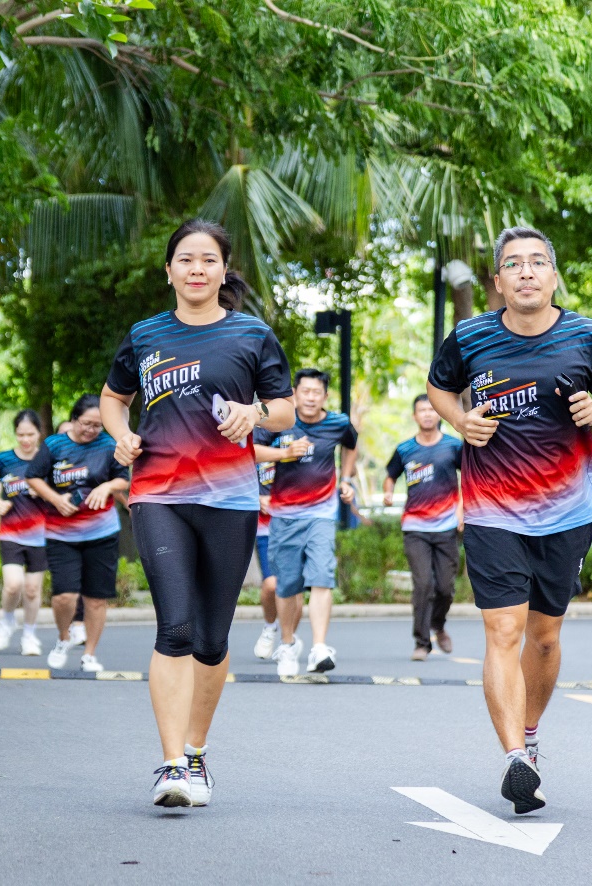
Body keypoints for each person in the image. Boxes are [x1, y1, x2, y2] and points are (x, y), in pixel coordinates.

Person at [426, 226, 592, 816]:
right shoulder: (469, 336)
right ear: (498, 280)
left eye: (537, 262)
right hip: (492, 510)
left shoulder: (590, 337)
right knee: (503, 632)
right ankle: (515, 756)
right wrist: (460, 422)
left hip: (567, 512)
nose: (525, 272)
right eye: (513, 264)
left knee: (544, 636)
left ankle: (532, 733)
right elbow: (440, 388)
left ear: (552, 276)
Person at [102, 218, 294, 808]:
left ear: (222, 270)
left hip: (229, 500)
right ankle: (168, 767)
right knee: (175, 627)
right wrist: (121, 434)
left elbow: (285, 410)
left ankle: (196, 753)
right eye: (185, 260)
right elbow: (115, 398)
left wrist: (254, 413)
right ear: (169, 271)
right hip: (159, 494)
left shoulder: (252, 335)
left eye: (208, 260)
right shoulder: (145, 334)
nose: (196, 270)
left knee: (211, 640)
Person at [256, 368, 359, 676]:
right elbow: (250, 452)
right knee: (286, 586)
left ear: (325, 396)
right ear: (295, 394)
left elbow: (351, 444)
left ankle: (319, 647)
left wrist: (348, 478)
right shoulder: (280, 421)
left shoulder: (338, 423)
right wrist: (284, 452)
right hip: (284, 516)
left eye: (317, 392)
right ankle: (287, 645)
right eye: (305, 392)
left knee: (321, 577)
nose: (311, 397)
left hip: (321, 513)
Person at [25, 395, 129, 673]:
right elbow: (33, 476)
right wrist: (55, 499)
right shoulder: (54, 445)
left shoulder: (108, 445)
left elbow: (124, 478)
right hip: (61, 533)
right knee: (64, 596)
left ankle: (90, 654)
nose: (91, 430)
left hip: (102, 532)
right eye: (86, 424)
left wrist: (106, 488)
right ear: (73, 420)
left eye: (97, 425)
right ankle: (63, 638)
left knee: (96, 598)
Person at [383, 394, 464, 661]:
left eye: (432, 409)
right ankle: (421, 642)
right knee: (423, 584)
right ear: (414, 416)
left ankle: (438, 625)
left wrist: (462, 507)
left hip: (447, 526)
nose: (428, 414)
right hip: (415, 526)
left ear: (439, 413)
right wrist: (387, 493)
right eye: (422, 410)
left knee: (444, 587)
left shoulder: (453, 446)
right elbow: (390, 475)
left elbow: (471, 477)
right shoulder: (405, 449)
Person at [0, 410, 50, 656]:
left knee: (33, 590)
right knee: (13, 585)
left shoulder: (49, 459)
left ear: (39, 433)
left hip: (41, 534)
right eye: (21, 435)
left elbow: (62, 495)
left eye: (30, 434)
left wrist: (43, 492)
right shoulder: (4, 459)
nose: (25, 440)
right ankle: (7, 621)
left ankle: (29, 635)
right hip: (11, 532)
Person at [55, 417, 89, 646]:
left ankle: (78, 623)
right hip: (58, 532)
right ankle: (64, 629)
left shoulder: (91, 459)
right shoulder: (49, 461)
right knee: (65, 586)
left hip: (89, 529)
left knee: (86, 579)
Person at [251, 428, 280, 659]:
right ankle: (271, 627)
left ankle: (289, 639)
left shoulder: (297, 435)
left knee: (291, 588)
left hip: (294, 524)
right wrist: (256, 497)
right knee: (271, 585)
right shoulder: (249, 436)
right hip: (263, 529)